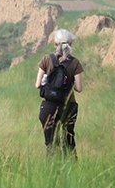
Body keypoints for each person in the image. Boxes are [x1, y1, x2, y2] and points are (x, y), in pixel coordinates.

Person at [35, 29, 83, 157]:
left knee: (51, 145)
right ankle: (72, 170)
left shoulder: (46, 59)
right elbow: (79, 88)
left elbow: (37, 85)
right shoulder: (75, 62)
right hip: (68, 105)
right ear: (70, 44)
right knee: (69, 142)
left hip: (48, 106)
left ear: (55, 44)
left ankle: (52, 172)